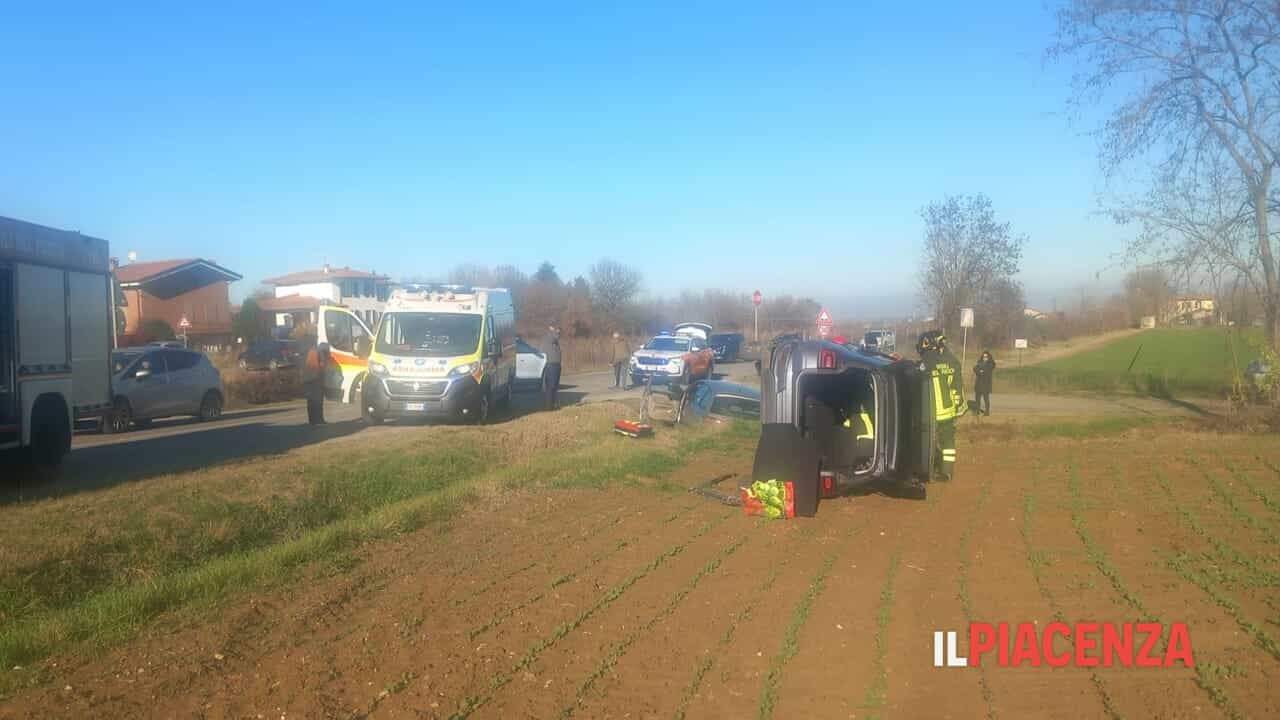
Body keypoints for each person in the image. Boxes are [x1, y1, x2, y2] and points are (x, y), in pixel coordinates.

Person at [918, 330, 965, 480]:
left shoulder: (926, 361)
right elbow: (958, 387)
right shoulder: (952, 361)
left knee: (926, 441)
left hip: (930, 412)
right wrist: (958, 408)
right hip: (948, 411)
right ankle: (947, 472)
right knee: (948, 442)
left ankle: (927, 469)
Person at [301, 339, 331, 425]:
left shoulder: (309, 351)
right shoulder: (321, 352)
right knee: (318, 401)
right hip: (317, 379)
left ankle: (312, 420)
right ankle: (319, 419)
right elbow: (322, 365)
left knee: (310, 401)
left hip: (307, 379)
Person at [542, 324, 563, 410]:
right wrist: (555, 331)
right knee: (551, 386)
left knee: (555, 385)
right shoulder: (549, 336)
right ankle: (549, 406)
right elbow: (555, 337)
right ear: (550, 327)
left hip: (556, 364)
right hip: (552, 364)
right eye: (555, 328)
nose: (558, 330)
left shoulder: (552, 336)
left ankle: (553, 404)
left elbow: (556, 338)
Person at [973, 350, 996, 416]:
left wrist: (980, 371)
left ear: (989, 357)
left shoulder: (990, 364)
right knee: (977, 399)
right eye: (983, 357)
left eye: (986, 357)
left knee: (986, 398)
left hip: (986, 384)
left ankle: (987, 412)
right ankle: (977, 411)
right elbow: (974, 368)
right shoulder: (979, 363)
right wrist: (980, 371)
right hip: (978, 384)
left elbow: (986, 371)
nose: (985, 358)